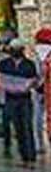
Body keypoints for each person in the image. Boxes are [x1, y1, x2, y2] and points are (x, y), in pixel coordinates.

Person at [0, 37, 39, 166]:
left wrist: (26, 86)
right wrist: (8, 86)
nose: (16, 51)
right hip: (11, 100)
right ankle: (24, 157)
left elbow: (34, 81)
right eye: (13, 49)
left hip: (25, 100)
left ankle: (31, 158)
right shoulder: (4, 64)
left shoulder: (29, 64)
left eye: (18, 49)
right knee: (18, 129)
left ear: (22, 50)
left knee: (27, 127)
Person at [34, 28, 51, 156]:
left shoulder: (36, 54)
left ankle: (39, 145)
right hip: (46, 89)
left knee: (37, 118)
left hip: (38, 90)